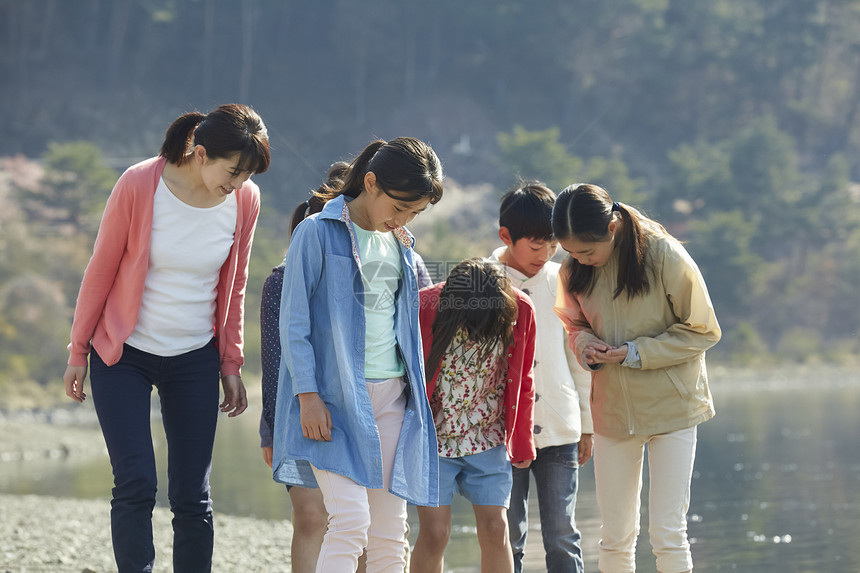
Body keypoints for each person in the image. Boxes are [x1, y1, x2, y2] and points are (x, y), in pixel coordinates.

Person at [62, 103, 270, 573]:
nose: (237, 184)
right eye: (233, 171)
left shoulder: (245, 200)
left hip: (194, 356)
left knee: (192, 496)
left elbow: (234, 285)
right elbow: (101, 269)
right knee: (135, 483)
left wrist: (231, 363)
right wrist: (78, 350)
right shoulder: (140, 184)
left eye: (247, 175)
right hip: (124, 353)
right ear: (199, 153)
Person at [272, 137, 444, 573]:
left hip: (393, 398)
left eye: (414, 213)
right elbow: (294, 323)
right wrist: (307, 395)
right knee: (350, 521)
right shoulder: (317, 232)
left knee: (390, 534)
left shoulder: (402, 245)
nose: (403, 220)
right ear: (370, 183)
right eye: (399, 207)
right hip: (334, 399)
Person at [551, 184, 721, 573]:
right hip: (612, 411)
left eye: (587, 252)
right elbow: (572, 324)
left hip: (673, 411)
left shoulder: (664, 255)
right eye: (571, 252)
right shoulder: (573, 266)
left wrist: (636, 353)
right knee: (614, 537)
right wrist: (586, 345)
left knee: (668, 533)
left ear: (611, 228)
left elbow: (704, 330)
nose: (580, 259)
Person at [490, 182, 593, 573]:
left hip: (560, 430)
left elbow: (578, 356)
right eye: (535, 246)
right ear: (506, 236)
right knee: (507, 535)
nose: (545, 254)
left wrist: (587, 425)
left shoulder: (563, 278)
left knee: (563, 535)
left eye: (552, 245)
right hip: (501, 432)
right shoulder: (484, 283)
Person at [411, 258, 537, 573]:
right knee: (435, 534)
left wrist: (522, 441)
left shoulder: (520, 309)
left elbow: (523, 380)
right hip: (434, 441)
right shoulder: (426, 306)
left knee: (496, 529)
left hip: (488, 436)